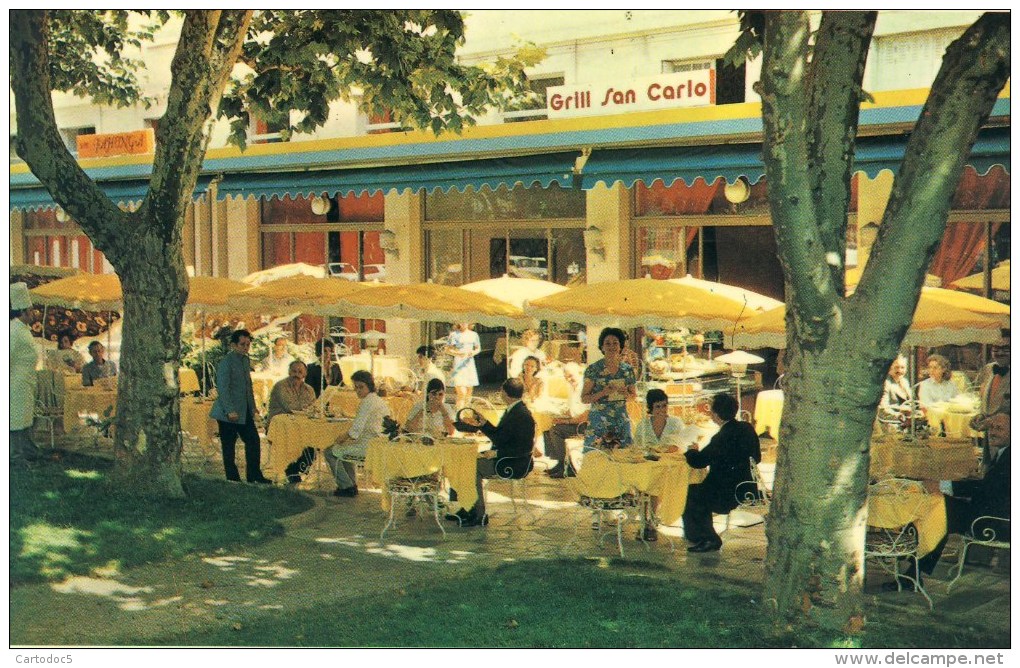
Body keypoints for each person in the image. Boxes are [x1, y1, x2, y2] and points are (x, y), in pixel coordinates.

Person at [885, 413, 1010, 592]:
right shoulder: (1006, 453)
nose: (992, 432)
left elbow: (985, 488)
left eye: (999, 428)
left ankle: (911, 569)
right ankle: (913, 570)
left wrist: (942, 485)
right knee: (937, 506)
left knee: (938, 508)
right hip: (990, 513)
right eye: (991, 427)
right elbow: (991, 487)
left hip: (995, 523)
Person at [446, 378, 535, 527]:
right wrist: (484, 423)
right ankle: (467, 506)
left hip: (512, 463)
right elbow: (501, 436)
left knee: (472, 468)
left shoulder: (522, 415)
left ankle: (479, 514)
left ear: (505, 394)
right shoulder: (514, 410)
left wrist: (496, 454)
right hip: (506, 457)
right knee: (463, 461)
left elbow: (524, 448)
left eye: (501, 391)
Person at [682, 393, 762, 553]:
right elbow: (757, 458)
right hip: (748, 487)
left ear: (717, 415)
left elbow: (698, 462)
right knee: (697, 491)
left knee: (691, 493)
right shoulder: (746, 428)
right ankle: (697, 536)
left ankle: (707, 538)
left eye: (712, 412)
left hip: (727, 492)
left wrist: (691, 451)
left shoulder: (722, 437)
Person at [209, 329, 272, 484]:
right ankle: (232, 479)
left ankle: (254, 475)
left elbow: (247, 386)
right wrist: (230, 410)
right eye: (242, 344)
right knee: (229, 446)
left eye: (248, 344)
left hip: (243, 411)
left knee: (253, 441)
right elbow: (223, 388)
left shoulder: (245, 360)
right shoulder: (226, 362)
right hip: (226, 412)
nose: (246, 347)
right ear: (233, 345)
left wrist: (253, 407)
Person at [324, 370, 389, 497]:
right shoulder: (375, 399)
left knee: (329, 452)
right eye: (356, 387)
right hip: (377, 443)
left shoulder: (367, 402)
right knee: (343, 449)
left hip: (370, 446)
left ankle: (346, 486)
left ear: (369, 386)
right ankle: (351, 484)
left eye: (361, 387)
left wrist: (341, 438)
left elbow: (356, 430)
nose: (358, 390)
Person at [581, 327, 637, 450]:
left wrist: (626, 394)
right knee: (597, 459)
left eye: (615, 343)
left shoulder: (627, 370)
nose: (611, 346)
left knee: (623, 459)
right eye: (607, 343)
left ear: (621, 346)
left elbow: (633, 396)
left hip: (620, 421)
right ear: (602, 347)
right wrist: (603, 392)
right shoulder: (593, 369)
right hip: (599, 423)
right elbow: (584, 398)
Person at [266, 360, 319, 484]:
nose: (296, 374)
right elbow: (290, 407)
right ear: (289, 372)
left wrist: (307, 410)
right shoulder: (280, 386)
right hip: (279, 427)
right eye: (294, 371)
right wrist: (306, 409)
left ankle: (295, 469)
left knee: (313, 446)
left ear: (305, 374)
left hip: (301, 427)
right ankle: (291, 470)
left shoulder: (309, 389)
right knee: (294, 440)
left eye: (300, 371)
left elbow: (313, 408)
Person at [543, 361, 589, 478]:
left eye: (571, 376)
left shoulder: (585, 387)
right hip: (575, 421)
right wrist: (559, 416)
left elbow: (586, 415)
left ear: (579, 373)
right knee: (548, 428)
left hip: (584, 425)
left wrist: (566, 421)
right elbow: (571, 410)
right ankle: (560, 464)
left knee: (556, 431)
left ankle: (566, 467)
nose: (568, 379)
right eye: (566, 376)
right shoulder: (571, 388)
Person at [10, 282, 39, 464]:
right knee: (16, 417)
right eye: (30, 310)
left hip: (26, 379)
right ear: (22, 312)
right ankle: (15, 454)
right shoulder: (13, 330)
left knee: (25, 415)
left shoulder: (23, 329)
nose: (33, 313)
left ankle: (28, 450)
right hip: (17, 381)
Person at [971, 334, 1010, 431]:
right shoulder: (988, 369)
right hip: (989, 435)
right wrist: (981, 415)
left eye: (1006, 349)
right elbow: (986, 402)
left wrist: (993, 421)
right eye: (996, 348)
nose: (1000, 353)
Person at [446, 322, 480, 410]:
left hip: (469, 363)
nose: (463, 323)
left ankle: (466, 413)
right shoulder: (454, 335)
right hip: (459, 363)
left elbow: (478, 348)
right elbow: (447, 349)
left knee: (469, 391)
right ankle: (459, 415)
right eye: (461, 321)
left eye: (466, 321)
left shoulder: (474, 334)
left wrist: (473, 352)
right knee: (461, 393)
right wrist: (458, 353)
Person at [877, 355, 913, 422]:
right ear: (890, 368)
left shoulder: (905, 382)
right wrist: (899, 415)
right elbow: (883, 408)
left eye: (903, 367)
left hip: (908, 422)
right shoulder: (885, 383)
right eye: (896, 367)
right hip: (891, 422)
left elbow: (911, 402)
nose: (900, 370)